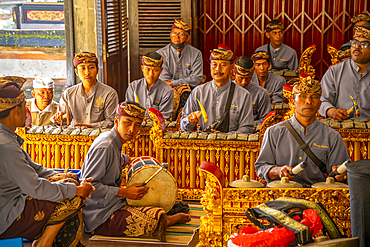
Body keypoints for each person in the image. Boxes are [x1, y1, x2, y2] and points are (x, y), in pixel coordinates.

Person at [0, 76, 94, 247]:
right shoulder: (6, 145)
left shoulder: (7, 137)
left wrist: (68, 176)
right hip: (7, 214)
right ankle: (45, 243)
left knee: (70, 183)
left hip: (13, 200)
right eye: (24, 107)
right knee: (72, 198)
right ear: (16, 110)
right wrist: (77, 190)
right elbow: (35, 188)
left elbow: (36, 169)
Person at [81, 101, 191, 241]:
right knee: (155, 215)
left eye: (137, 125)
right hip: (99, 216)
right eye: (128, 122)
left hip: (111, 204)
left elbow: (114, 159)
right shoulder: (105, 146)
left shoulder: (112, 142)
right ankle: (166, 220)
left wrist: (129, 159)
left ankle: (163, 216)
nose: (132, 129)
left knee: (168, 204)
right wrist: (125, 192)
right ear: (116, 121)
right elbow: (90, 187)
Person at [255, 74, 350, 187]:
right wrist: (277, 171)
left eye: (314, 97)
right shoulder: (273, 132)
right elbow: (261, 167)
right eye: (303, 96)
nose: (308, 101)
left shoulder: (332, 136)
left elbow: (339, 174)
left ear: (320, 104)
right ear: (293, 103)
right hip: (282, 196)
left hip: (316, 197)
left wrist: (341, 175)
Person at [180, 44, 254, 133]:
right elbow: (183, 125)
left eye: (223, 65)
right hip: (204, 144)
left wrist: (226, 137)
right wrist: (190, 120)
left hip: (231, 144)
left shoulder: (243, 95)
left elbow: (247, 128)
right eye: (214, 65)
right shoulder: (198, 92)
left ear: (231, 68)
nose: (218, 69)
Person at [51, 52, 119, 128]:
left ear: (97, 70)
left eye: (91, 67)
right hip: (74, 137)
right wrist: (58, 119)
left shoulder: (109, 94)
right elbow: (63, 122)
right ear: (76, 72)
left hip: (100, 138)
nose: (87, 72)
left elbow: (111, 122)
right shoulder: (68, 94)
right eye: (83, 68)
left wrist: (90, 126)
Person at [319, 24, 370, 120]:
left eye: (363, 44)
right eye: (354, 43)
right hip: (340, 130)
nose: (357, 47)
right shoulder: (335, 72)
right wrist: (332, 112)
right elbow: (321, 99)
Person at [125, 52, 174, 119]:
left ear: (161, 70)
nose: (151, 74)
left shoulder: (167, 91)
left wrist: (149, 121)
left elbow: (164, 118)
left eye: (155, 70)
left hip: (156, 127)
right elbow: (128, 112)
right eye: (147, 69)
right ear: (142, 68)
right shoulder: (133, 87)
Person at [157, 19, 203, 89]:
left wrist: (173, 83)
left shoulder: (196, 53)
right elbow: (164, 80)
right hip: (168, 91)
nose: (177, 37)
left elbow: (196, 78)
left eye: (181, 34)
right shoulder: (161, 54)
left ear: (187, 38)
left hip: (190, 92)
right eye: (174, 33)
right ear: (170, 35)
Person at [233, 56, 271, 124]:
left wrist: (247, 125)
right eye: (240, 78)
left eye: (248, 78)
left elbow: (265, 120)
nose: (244, 82)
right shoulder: (225, 91)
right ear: (234, 73)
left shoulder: (261, 93)